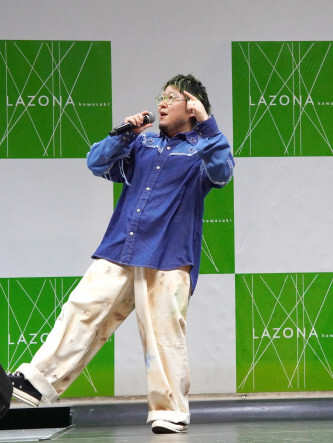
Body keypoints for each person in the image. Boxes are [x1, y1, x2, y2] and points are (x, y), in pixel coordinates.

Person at [6, 74, 234, 434]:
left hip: (169, 257)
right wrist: (123, 135)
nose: (162, 103)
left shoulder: (203, 148)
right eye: (161, 97)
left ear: (192, 107)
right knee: (81, 310)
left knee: (163, 336)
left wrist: (207, 124)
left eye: (171, 98)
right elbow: (96, 162)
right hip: (120, 248)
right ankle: (37, 383)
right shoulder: (143, 144)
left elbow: (223, 172)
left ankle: (170, 413)